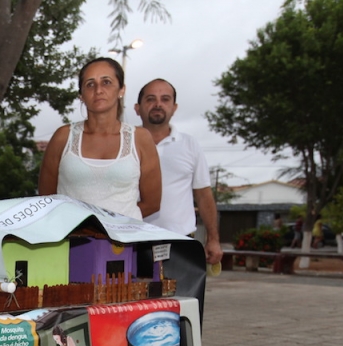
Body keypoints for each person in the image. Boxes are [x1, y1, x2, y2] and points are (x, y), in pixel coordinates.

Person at [39, 57, 161, 219]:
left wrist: (110, 227)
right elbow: (46, 197)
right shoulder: (63, 137)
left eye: (106, 82)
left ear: (121, 90)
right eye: (90, 84)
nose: (98, 90)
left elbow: (152, 203)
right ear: (81, 95)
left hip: (122, 240)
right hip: (70, 241)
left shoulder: (140, 138)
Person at [134, 78, 223, 265]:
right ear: (137, 108)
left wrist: (213, 239)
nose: (158, 104)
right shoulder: (124, 144)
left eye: (165, 99)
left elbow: (204, 194)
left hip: (180, 243)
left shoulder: (190, 145)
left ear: (174, 107)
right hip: (131, 243)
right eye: (150, 99)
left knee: (180, 296)